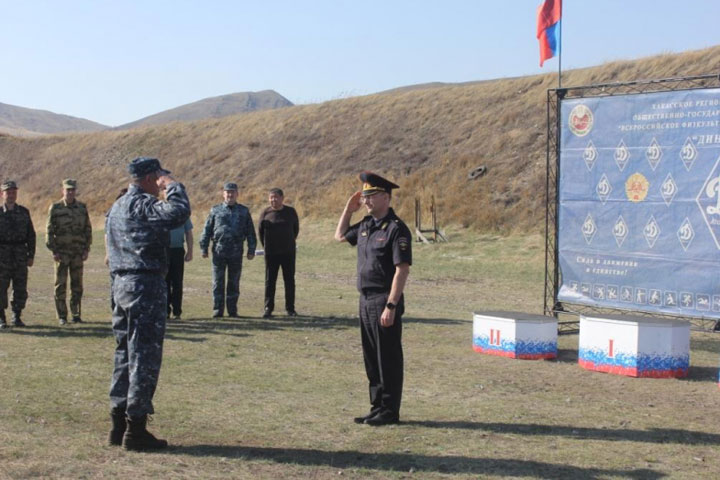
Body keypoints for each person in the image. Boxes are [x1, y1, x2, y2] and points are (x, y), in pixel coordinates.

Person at [106, 157, 190, 451]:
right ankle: (136, 429)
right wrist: (173, 185)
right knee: (143, 356)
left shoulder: (116, 206)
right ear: (150, 177)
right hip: (144, 285)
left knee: (124, 355)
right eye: (158, 177)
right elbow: (178, 213)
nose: (161, 182)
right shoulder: (142, 204)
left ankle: (118, 425)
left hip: (120, 285)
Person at [334, 171, 412, 426]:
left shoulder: (396, 229)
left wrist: (391, 305)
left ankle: (390, 410)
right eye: (365, 196)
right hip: (365, 299)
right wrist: (348, 210)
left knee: (387, 356)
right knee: (371, 357)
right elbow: (340, 235)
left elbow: (402, 269)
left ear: (386, 197)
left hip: (383, 299)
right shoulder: (366, 225)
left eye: (371, 195)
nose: (366, 201)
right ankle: (377, 406)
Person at [199, 182, 256, 318]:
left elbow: (250, 232)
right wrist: (204, 247)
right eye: (227, 192)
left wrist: (251, 249)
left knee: (234, 282)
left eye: (232, 192)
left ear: (237, 194)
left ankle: (232, 310)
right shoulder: (215, 210)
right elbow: (207, 229)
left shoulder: (244, 211)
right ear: (223, 194)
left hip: (236, 252)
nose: (230, 195)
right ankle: (217, 310)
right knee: (218, 282)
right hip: (219, 251)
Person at [46, 179, 92, 325]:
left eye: (72, 190)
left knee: (77, 285)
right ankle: (62, 316)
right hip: (62, 253)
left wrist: (86, 249)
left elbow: (87, 229)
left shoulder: (81, 208)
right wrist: (53, 249)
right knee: (60, 285)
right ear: (63, 191)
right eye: (68, 190)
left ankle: (76, 314)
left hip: (77, 253)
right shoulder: (55, 208)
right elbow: (49, 230)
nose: (70, 192)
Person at [258, 187, 299, 318]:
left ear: (282, 198)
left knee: (289, 280)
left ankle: (290, 309)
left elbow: (295, 230)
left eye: (276, 197)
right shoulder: (265, 213)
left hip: (288, 252)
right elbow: (260, 232)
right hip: (271, 254)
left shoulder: (291, 212)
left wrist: (288, 242)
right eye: (271, 197)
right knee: (270, 281)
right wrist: (267, 247)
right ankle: (268, 308)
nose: (273, 200)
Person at [0, 180, 35, 329]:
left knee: (20, 287)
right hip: (2, 256)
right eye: (8, 192)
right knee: (1, 287)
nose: (11, 195)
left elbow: (31, 235)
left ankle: (16, 316)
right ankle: (1, 318)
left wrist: (31, 255)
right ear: (2, 194)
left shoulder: (24, 212)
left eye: (14, 192)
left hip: (20, 255)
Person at [165, 218, 193, 319]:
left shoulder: (182, 215)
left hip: (177, 251)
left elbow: (189, 233)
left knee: (177, 282)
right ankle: (165, 311)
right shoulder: (162, 212)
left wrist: (190, 251)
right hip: (163, 251)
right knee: (164, 282)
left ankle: (177, 312)